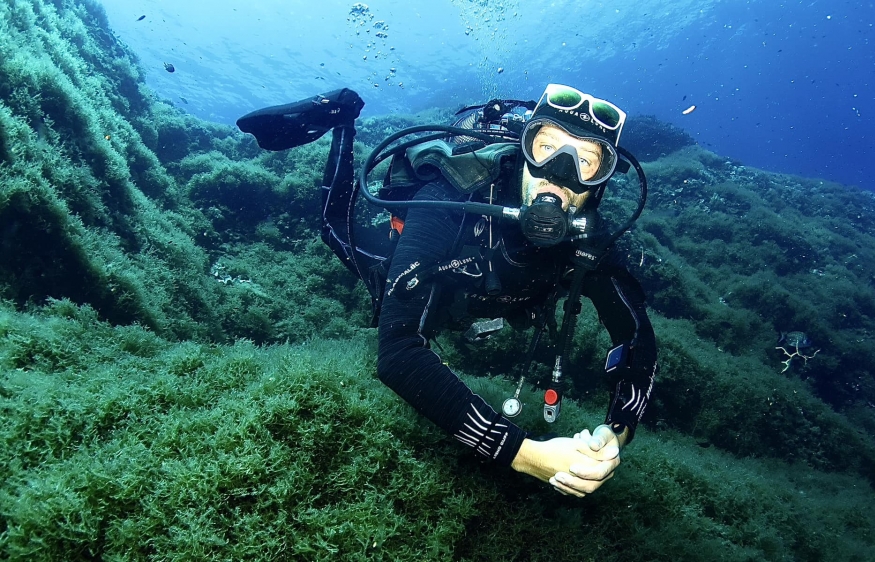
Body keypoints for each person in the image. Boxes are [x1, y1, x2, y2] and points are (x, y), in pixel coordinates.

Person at [237, 84, 657, 498]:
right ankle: (343, 117)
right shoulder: (453, 195)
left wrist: (615, 433)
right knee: (334, 231)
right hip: (424, 262)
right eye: (545, 148)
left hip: (478, 295)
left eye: (585, 161)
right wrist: (523, 453)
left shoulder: (590, 244)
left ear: (600, 182)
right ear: (523, 148)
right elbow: (398, 353)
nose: (559, 173)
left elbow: (636, 339)